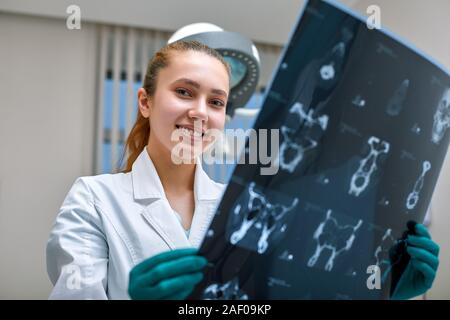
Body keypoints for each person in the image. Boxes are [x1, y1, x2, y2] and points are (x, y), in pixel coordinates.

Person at [46, 40, 440, 300]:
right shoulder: (94, 198)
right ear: (145, 102)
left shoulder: (241, 206)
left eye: (216, 102)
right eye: (184, 92)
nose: (200, 112)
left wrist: (384, 292)